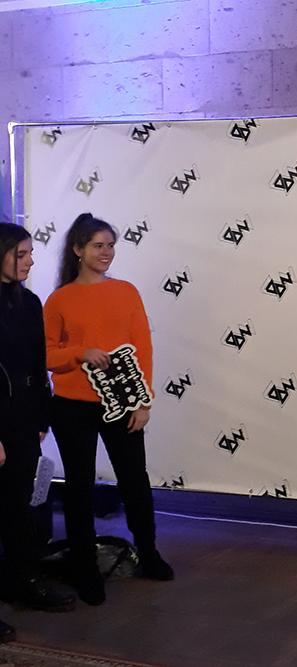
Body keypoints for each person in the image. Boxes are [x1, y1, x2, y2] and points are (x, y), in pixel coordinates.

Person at [44, 213, 173, 607]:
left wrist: (143, 401)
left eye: (110, 245)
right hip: (72, 406)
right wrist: (79, 352)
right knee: (79, 487)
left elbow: (142, 347)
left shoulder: (126, 292)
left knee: (135, 480)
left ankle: (148, 552)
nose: (106, 252)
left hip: (123, 404)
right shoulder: (59, 299)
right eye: (98, 245)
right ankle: (85, 567)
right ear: (78, 250)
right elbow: (46, 353)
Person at [0, 223, 77, 632]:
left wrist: (41, 418)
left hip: (24, 417)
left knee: (18, 505)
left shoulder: (29, 302)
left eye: (31, 253)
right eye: (21, 254)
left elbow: (37, 363)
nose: (30, 261)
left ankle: (21, 581)